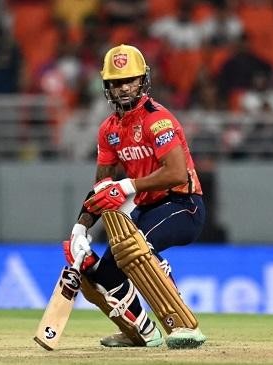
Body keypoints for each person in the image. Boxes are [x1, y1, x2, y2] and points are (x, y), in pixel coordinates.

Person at [62, 44, 206, 349]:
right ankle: (143, 332)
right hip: (146, 209)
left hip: (184, 204)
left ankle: (183, 326)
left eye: (130, 80)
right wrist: (80, 228)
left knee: (137, 248)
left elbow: (177, 173)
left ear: (143, 80)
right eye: (116, 82)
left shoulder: (158, 119)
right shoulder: (109, 130)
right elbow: (102, 187)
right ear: (107, 87)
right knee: (105, 274)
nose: (124, 87)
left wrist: (126, 186)